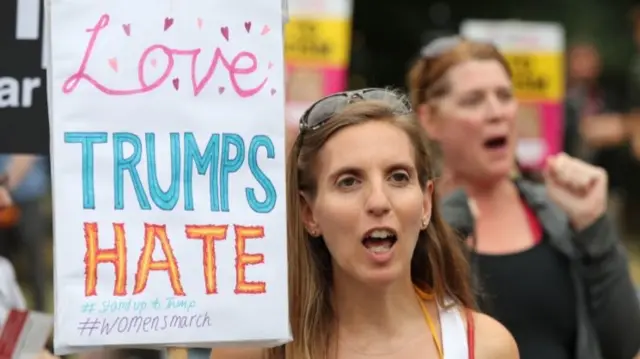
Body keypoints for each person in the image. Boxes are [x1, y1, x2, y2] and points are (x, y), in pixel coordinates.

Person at [211, 89, 519, 359]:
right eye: (348, 182)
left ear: (426, 203)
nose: (379, 201)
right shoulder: (257, 349)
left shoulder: (483, 347)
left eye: (398, 177)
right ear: (309, 213)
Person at [407, 36, 640, 359]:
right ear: (430, 119)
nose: (496, 112)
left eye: (504, 95)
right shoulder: (414, 227)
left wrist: (594, 225)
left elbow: (624, 344)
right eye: (474, 100)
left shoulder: (557, 214)